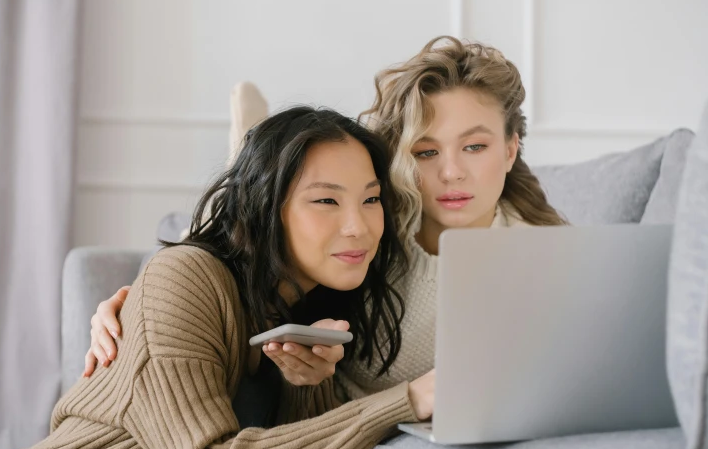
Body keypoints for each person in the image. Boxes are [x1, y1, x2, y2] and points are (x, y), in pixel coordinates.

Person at [86, 36, 567, 401]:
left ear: (510, 149)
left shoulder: (548, 258)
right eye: (426, 151)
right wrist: (138, 298)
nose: (452, 172)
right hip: (325, 409)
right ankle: (249, 150)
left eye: (475, 146)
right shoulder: (369, 219)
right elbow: (227, 249)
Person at [0, 107, 435, 449]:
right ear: (263, 208)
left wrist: (307, 387)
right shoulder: (186, 276)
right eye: (326, 200)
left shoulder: (309, 312)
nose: (359, 226)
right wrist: (407, 400)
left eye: (370, 199)